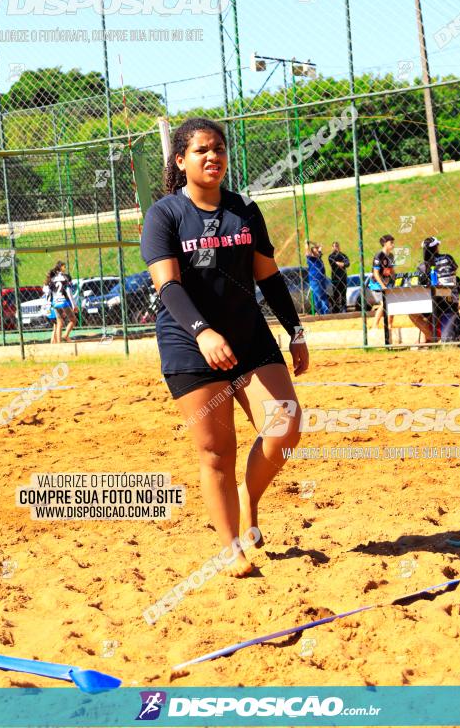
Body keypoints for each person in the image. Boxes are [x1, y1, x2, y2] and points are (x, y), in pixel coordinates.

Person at [140, 117, 309, 577]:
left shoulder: (244, 209)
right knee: (217, 451)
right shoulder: (165, 215)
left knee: (285, 427)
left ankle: (249, 501)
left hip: (249, 338)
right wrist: (202, 331)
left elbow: (268, 276)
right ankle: (230, 546)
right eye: (200, 150)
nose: (212, 156)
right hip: (190, 344)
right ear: (180, 160)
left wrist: (295, 330)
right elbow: (168, 287)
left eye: (218, 148)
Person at [409, 237, 459, 343]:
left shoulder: (423, 266)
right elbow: (455, 274)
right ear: (436, 248)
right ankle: (431, 337)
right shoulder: (448, 258)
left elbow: (421, 284)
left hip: (433, 299)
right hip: (451, 297)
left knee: (413, 313)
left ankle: (431, 337)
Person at [43, 261, 76, 344]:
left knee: (59, 322)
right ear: (60, 267)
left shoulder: (52, 278)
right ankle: (65, 335)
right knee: (73, 319)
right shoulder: (65, 277)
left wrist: (48, 304)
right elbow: (69, 291)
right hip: (63, 301)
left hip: (55, 302)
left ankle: (58, 342)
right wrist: (74, 305)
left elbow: (47, 290)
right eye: (64, 266)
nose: (65, 268)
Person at [369, 234, 395, 330]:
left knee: (391, 303)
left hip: (386, 283)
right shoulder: (379, 256)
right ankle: (374, 325)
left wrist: (396, 280)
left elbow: (392, 270)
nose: (393, 245)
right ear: (385, 244)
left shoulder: (391, 256)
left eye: (393, 242)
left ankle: (389, 325)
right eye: (391, 243)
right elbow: (375, 273)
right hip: (377, 284)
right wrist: (383, 285)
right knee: (384, 304)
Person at [305, 241, 330, 315]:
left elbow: (320, 246)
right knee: (321, 297)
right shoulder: (311, 258)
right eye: (316, 250)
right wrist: (307, 244)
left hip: (321, 279)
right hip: (315, 280)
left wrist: (313, 243)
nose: (319, 251)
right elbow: (307, 252)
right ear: (312, 252)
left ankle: (321, 312)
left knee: (318, 297)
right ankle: (324, 312)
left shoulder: (318, 258)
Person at [328, 241, 350, 313]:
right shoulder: (330, 256)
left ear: (339, 247)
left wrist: (342, 264)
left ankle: (344, 308)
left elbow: (347, 263)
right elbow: (333, 263)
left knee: (343, 294)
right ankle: (336, 309)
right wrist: (342, 264)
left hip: (343, 278)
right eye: (334, 246)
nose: (335, 248)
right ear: (332, 247)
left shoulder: (343, 255)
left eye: (336, 246)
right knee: (336, 295)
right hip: (335, 279)